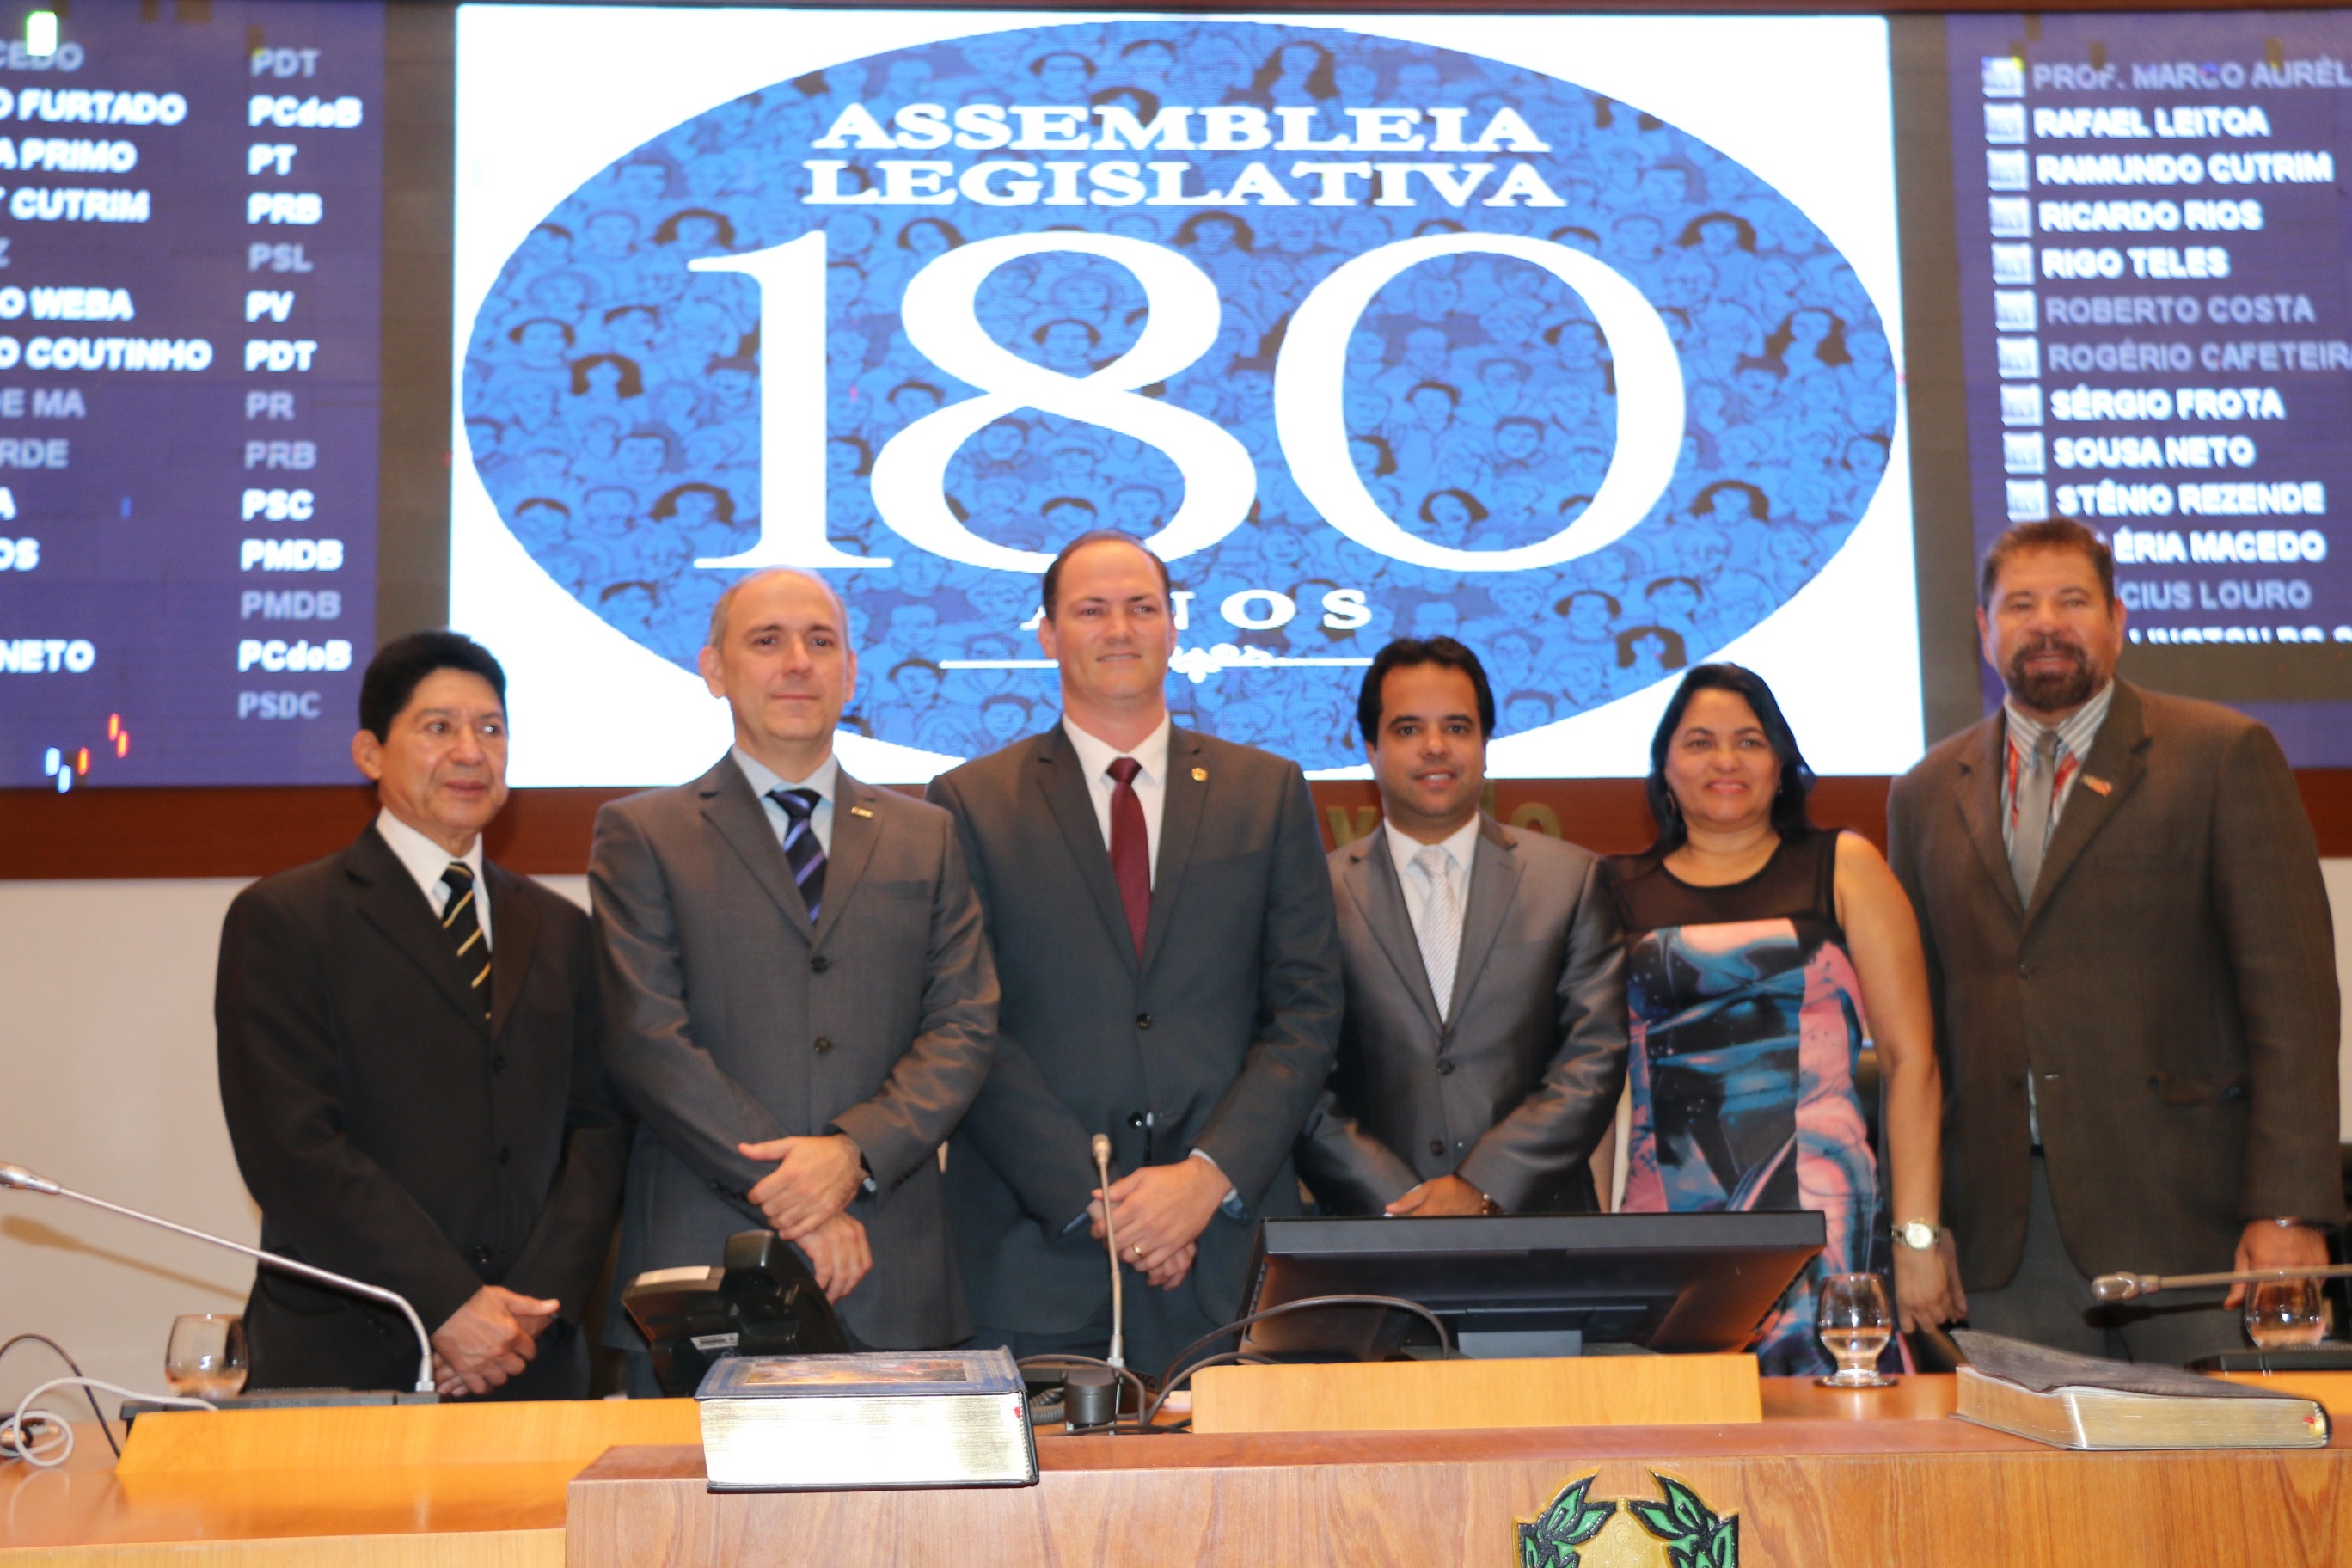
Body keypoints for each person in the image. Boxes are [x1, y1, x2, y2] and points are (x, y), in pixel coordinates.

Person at [1887, 520, 2341, 1361]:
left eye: (2072, 601)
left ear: (2118, 621)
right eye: (2019, 604)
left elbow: (2294, 1003)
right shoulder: (1921, 794)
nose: (2045, 623)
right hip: (2000, 1241)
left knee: (2221, 1488)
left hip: (2192, 1226)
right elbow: (1917, 1034)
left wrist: (2287, 1211)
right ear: (1983, 629)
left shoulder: (2221, 755)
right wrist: (1919, 1225)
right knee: (2027, 1492)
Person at [926, 530, 1341, 1375]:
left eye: (1141, 607)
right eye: (1091, 610)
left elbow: (1306, 1012)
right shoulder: (968, 805)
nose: (1119, 629)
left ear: (1173, 626)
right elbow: (968, 1024)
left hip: (1230, 1257)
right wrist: (1105, 1210)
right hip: (1038, 1259)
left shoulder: (1265, 793)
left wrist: (1202, 1181)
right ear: (1046, 634)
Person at [590, 569, 996, 1387]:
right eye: (767, 641)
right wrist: (794, 1196)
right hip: (703, 1271)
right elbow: (648, 1038)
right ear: (714, 670)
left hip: (893, 1270)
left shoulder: (929, 837)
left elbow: (963, 1024)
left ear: (851, 670)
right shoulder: (643, 833)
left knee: (901, 1518)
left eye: (821, 641)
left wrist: (854, 1155)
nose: (797, 662)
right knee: (680, 1518)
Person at [217, 632, 628, 1398]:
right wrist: (446, 1307)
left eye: (491, 729)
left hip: (532, 1360)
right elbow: (292, 1146)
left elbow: (598, 1132)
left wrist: (524, 1316)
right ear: (370, 753)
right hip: (349, 1355)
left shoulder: (561, 927)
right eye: (439, 728)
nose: (471, 751)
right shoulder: (286, 917)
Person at [1608, 663, 1960, 1375]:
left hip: (1826, 1223)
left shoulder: (1844, 866)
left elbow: (1910, 1060)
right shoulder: (1613, 887)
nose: (1726, 760)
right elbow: (1598, 1083)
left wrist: (1917, 1240)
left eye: (1750, 740)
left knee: (1843, 1450)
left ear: (1781, 763)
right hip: (1663, 1227)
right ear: (1665, 767)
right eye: (1700, 742)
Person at [1296, 637, 1627, 1217]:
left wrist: (1482, 1186)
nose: (1434, 748)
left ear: (1484, 743)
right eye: (1406, 730)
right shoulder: (1314, 896)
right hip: (1373, 1248)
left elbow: (1592, 1060)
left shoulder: (1571, 881)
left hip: (1540, 1238)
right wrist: (1401, 1201)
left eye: (1456, 727)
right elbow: (1296, 1072)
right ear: (1370, 749)